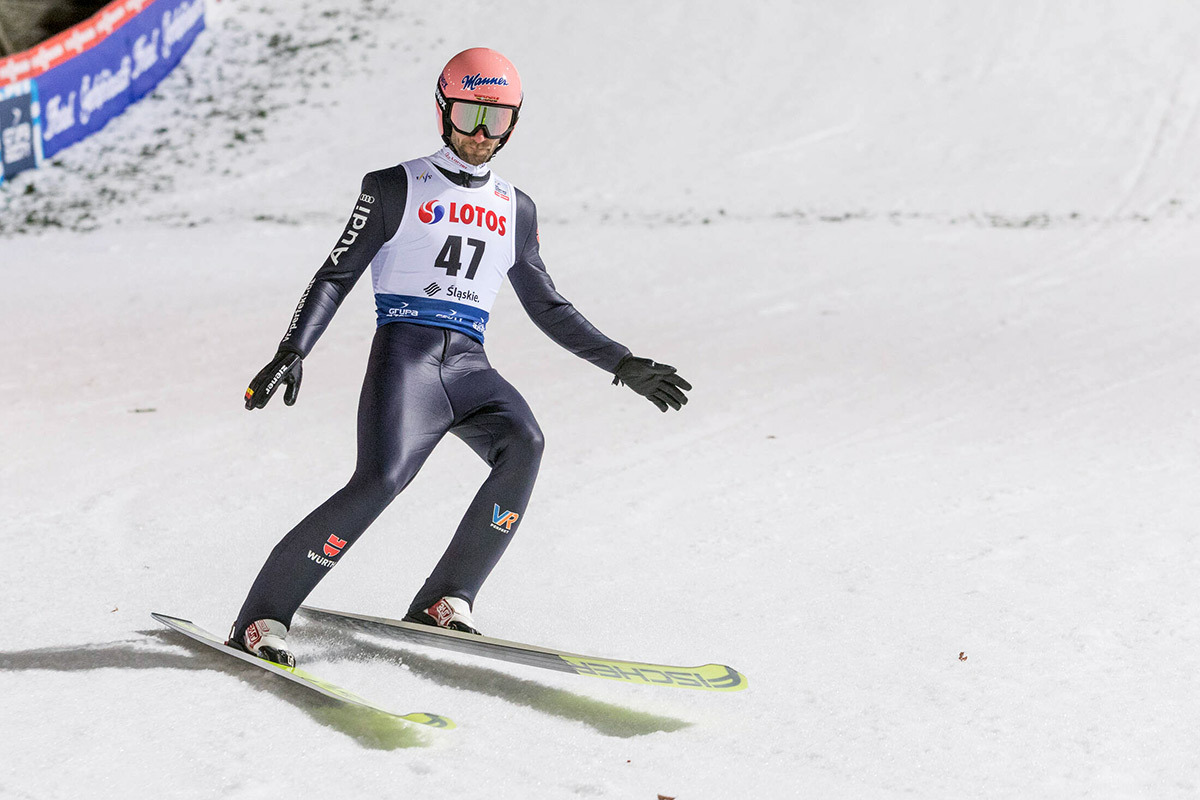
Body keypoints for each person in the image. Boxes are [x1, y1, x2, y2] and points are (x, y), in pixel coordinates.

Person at [227, 48, 691, 667]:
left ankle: (446, 599)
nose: (479, 133)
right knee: (380, 481)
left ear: (513, 125)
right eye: (469, 114)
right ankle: (262, 618)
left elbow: (547, 305)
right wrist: (294, 348)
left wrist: (621, 362)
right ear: (443, 111)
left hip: (469, 366)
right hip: (407, 358)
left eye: (495, 120)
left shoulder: (514, 207)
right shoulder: (395, 185)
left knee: (524, 441)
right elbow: (337, 274)